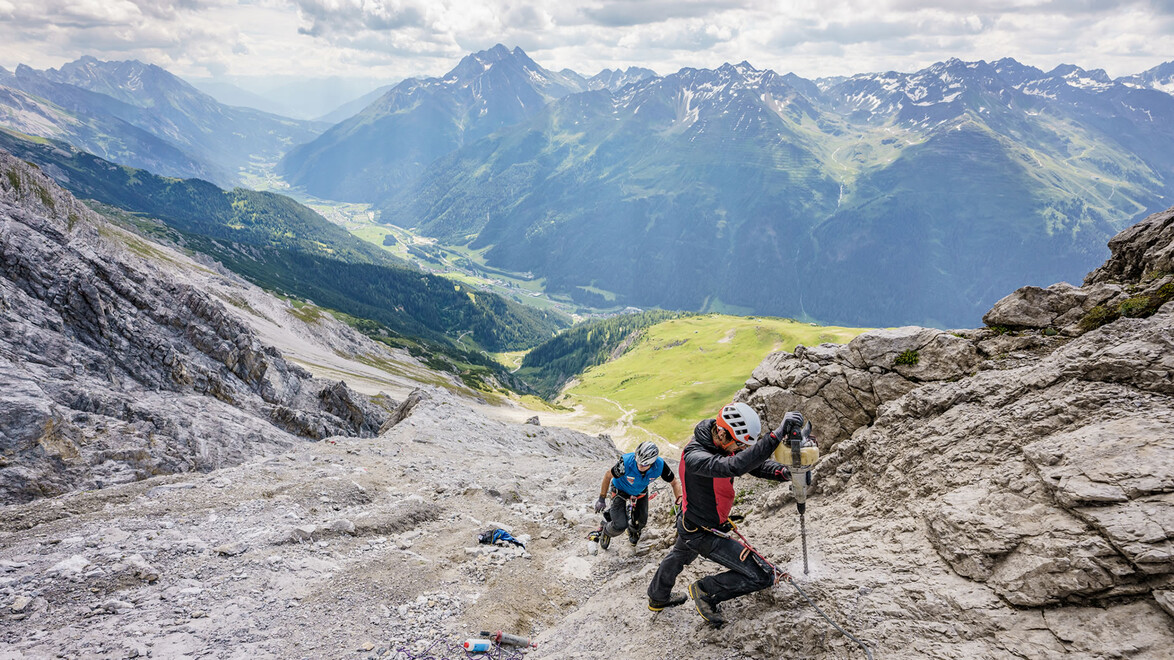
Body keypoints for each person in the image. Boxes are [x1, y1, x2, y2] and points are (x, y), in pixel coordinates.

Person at [646, 402, 805, 624]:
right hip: (703, 532)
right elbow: (734, 467)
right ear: (721, 433)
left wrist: (785, 472)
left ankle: (657, 597)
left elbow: (752, 464)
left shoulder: (720, 445)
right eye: (738, 444)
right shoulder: (695, 457)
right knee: (762, 575)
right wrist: (776, 435)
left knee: (678, 556)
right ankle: (706, 592)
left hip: (692, 524)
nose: (740, 449)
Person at [589, 441, 682, 553]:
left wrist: (679, 501)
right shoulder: (626, 463)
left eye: (644, 465)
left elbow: (674, 483)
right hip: (620, 490)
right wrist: (601, 498)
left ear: (652, 463)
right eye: (638, 463)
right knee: (619, 525)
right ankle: (606, 529)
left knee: (641, 522)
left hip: (640, 491)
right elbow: (608, 475)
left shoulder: (660, 466)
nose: (640, 466)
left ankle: (633, 529)